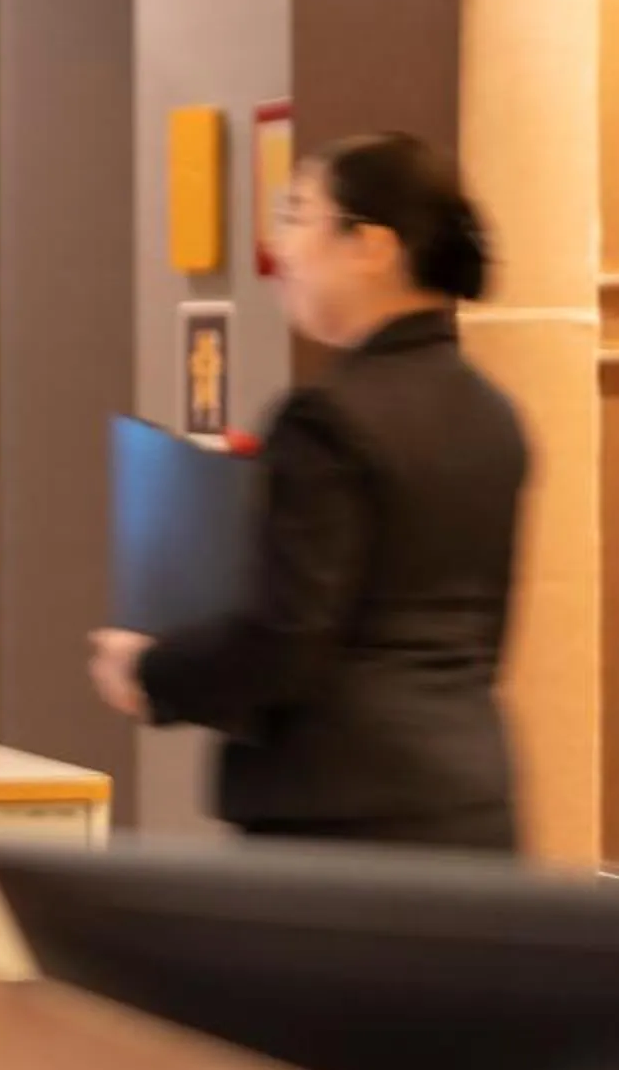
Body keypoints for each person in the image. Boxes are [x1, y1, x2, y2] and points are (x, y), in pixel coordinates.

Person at [90, 132, 531, 852]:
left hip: (342, 824)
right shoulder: (494, 414)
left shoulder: (330, 418)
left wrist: (148, 668)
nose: (279, 249)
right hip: (472, 804)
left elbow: (286, 640)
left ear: (371, 246)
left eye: (297, 216)